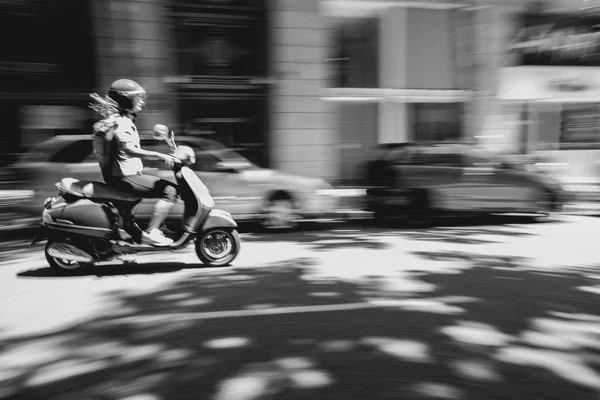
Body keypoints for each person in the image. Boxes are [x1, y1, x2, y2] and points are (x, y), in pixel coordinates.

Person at [89, 79, 177, 246]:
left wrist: (169, 144)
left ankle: (131, 240)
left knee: (128, 214)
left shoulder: (121, 121)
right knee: (170, 191)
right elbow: (129, 149)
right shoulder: (122, 122)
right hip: (125, 176)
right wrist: (159, 155)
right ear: (126, 100)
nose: (142, 102)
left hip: (121, 175)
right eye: (138, 98)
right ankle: (153, 231)